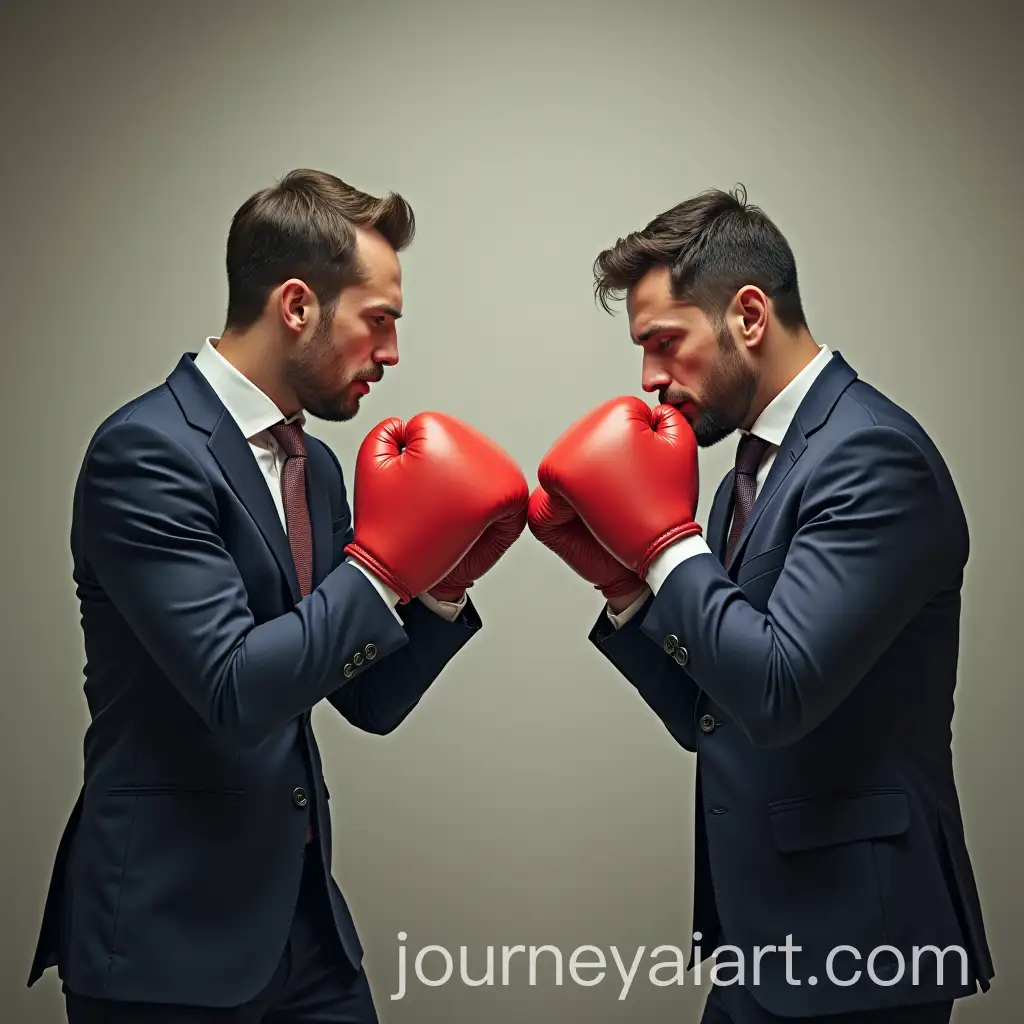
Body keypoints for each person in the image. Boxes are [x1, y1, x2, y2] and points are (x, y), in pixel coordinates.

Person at [27, 168, 529, 1023]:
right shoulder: (146, 455)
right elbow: (233, 690)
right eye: (379, 321)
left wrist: (442, 587)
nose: (393, 353)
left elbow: (365, 698)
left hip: (302, 925)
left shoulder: (315, 468)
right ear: (297, 305)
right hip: (166, 938)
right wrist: (382, 568)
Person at [528, 186, 994, 1022]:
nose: (649, 380)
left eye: (665, 343)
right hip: (767, 938)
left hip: (860, 946)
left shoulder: (872, 457)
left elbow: (780, 691)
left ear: (748, 315)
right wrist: (627, 588)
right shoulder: (752, 471)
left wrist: (665, 543)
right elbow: (717, 713)